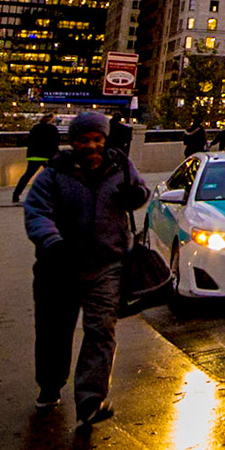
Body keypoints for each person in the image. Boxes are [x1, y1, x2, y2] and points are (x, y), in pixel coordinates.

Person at [22, 111, 149, 425]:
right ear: (73, 141)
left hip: (107, 264)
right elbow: (36, 212)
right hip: (58, 267)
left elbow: (140, 193)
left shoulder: (120, 166)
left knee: (101, 330)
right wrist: (52, 241)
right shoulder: (55, 173)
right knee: (54, 332)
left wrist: (136, 195)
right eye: (84, 140)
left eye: (97, 139)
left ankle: (90, 402)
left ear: (104, 140)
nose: (91, 146)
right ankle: (50, 387)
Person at [13, 114, 60, 203]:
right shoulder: (52, 129)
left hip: (33, 156)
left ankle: (16, 194)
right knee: (54, 177)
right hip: (46, 157)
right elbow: (54, 144)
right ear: (51, 120)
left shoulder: (35, 128)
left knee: (27, 175)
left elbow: (29, 140)